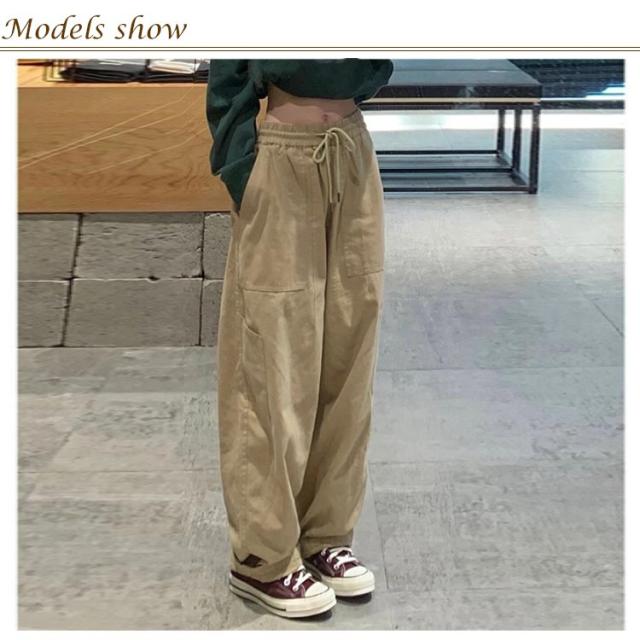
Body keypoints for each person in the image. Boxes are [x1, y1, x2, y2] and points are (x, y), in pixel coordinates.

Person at [205, 58, 394, 619]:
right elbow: (228, 78)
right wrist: (243, 168)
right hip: (281, 156)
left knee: (349, 357)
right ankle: (260, 557)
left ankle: (325, 535)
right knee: (272, 360)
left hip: (351, 152)